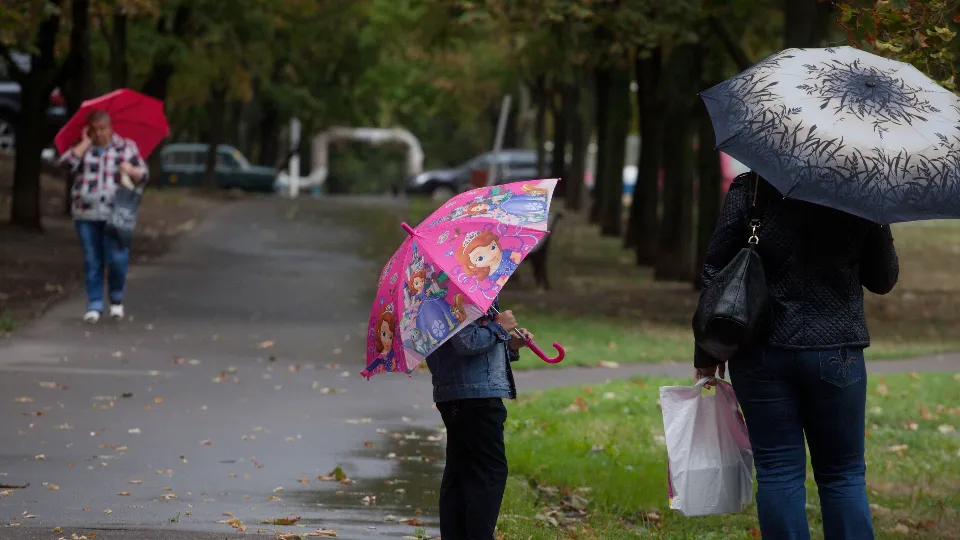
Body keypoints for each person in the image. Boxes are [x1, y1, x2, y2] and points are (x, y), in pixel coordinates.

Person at [694, 172, 899, 540]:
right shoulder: (861, 191)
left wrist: (707, 350)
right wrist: (878, 216)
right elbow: (883, 279)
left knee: (777, 470)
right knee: (843, 474)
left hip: (760, 350)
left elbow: (716, 270)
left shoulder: (752, 187)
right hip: (836, 352)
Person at [425, 300, 532, 539]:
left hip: (464, 393)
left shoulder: (456, 291)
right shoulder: (459, 293)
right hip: (475, 397)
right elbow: (465, 341)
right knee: (488, 472)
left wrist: (511, 344)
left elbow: (475, 349)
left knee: (462, 471)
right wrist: (499, 327)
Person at [58, 110, 148, 324]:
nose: (99, 133)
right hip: (85, 212)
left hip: (115, 214)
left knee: (117, 258)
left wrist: (132, 170)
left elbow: (144, 174)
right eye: (94, 129)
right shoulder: (82, 149)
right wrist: (83, 144)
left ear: (110, 127)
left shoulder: (126, 147)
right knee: (92, 259)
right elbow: (64, 166)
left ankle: (116, 298)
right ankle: (95, 304)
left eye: (102, 128)